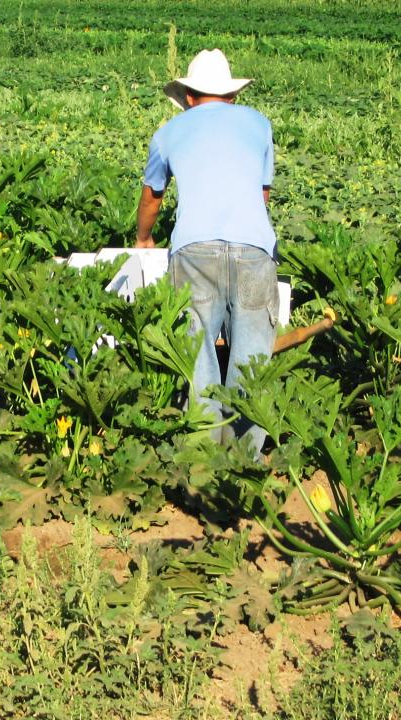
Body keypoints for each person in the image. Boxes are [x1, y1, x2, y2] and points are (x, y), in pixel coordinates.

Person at [135, 49, 278, 453]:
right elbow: (262, 196)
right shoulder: (260, 124)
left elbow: (152, 197)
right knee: (251, 366)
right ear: (232, 96)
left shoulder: (169, 132)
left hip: (194, 252)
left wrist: (144, 239)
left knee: (197, 360)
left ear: (190, 97)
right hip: (254, 250)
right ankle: (242, 468)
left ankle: (202, 465)